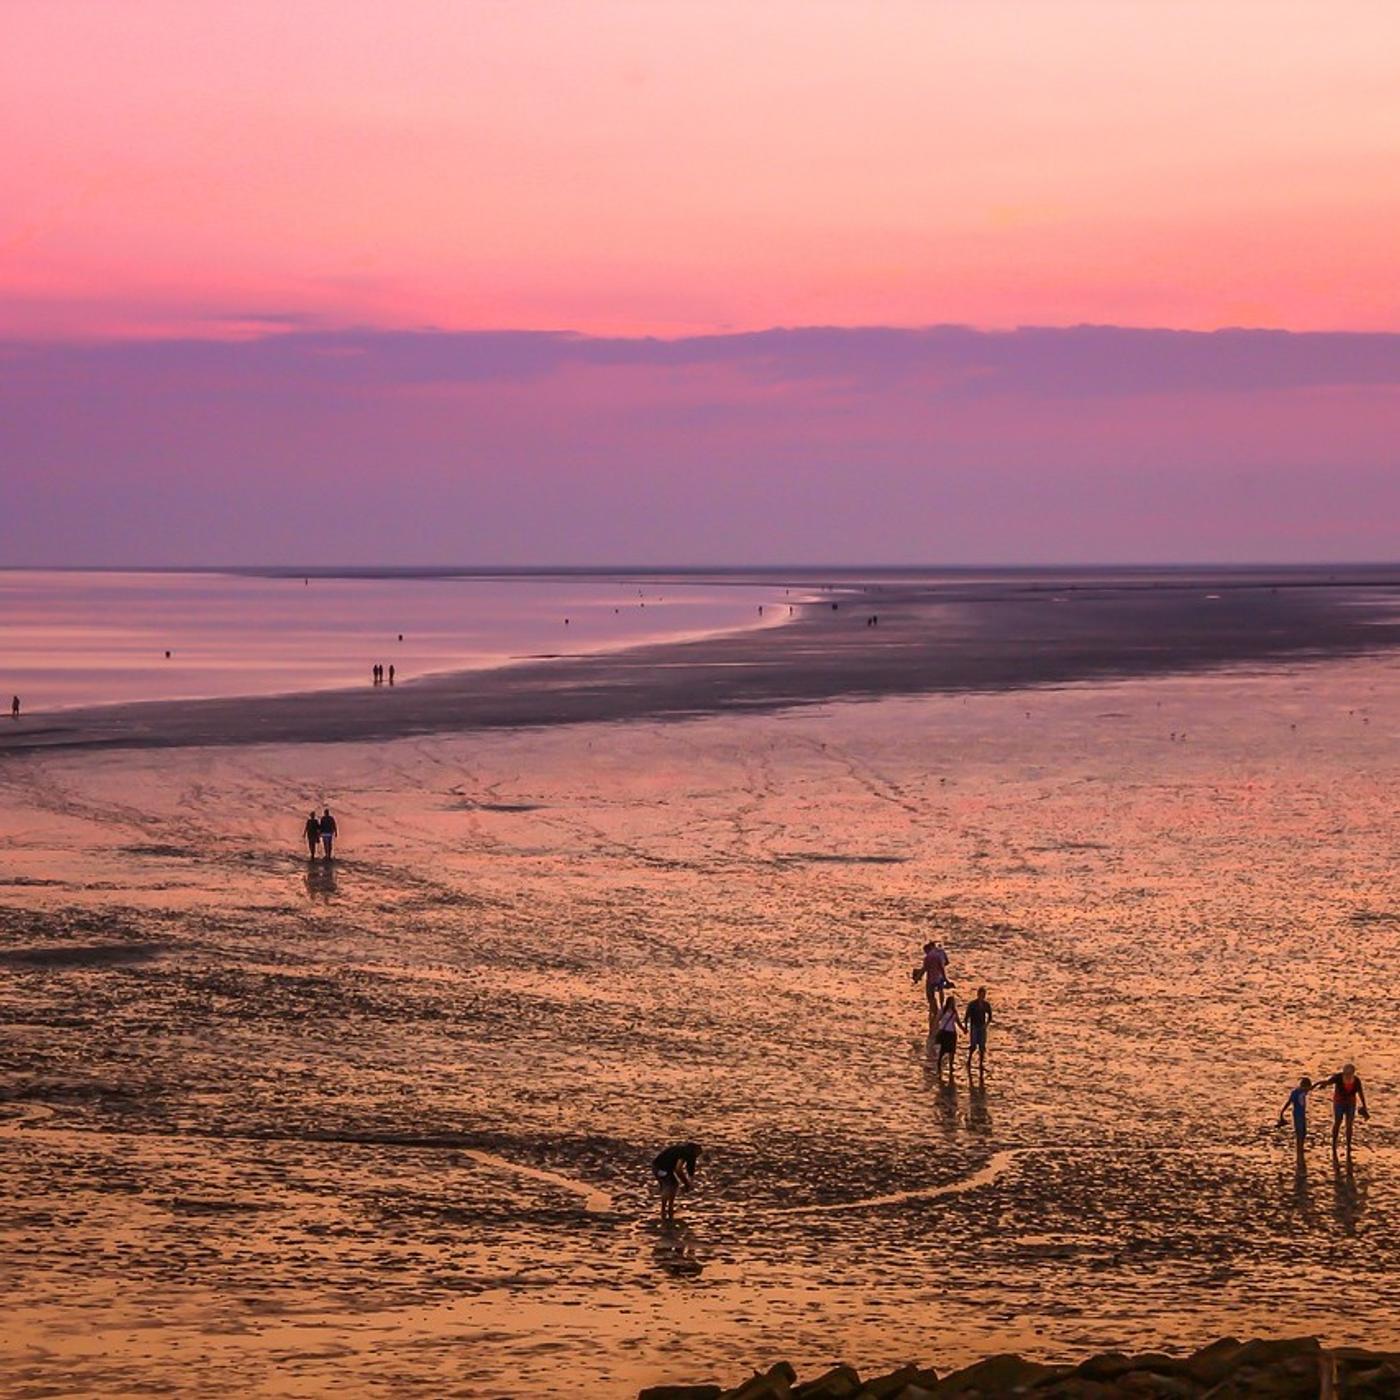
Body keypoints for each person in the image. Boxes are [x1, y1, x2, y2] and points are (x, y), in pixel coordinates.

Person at [1318, 1063, 1369, 1158]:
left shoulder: (1356, 1081)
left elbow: (1360, 1093)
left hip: (1351, 1104)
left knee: (1349, 1124)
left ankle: (1348, 1145)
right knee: (1337, 1122)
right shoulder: (1338, 1077)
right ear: (1343, 1073)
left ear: (1353, 1073)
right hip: (1339, 1103)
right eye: (1346, 1073)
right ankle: (1334, 1144)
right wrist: (1322, 1085)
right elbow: (1328, 1082)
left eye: (1350, 1074)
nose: (1348, 1075)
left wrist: (1364, 1106)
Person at [652, 1142, 701, 1222]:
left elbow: (689, 1169)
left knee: (674, 1185)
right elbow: (678, 1169)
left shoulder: (682, 1150)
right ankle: (664, 1209)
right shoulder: (683, 1153)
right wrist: (686, 1183)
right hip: (659, 1167)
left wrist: (689, 1180)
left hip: (665, 1168)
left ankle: (669, 1208)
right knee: (669, 1185)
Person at [912, 940, 951, 1026]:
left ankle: (935, 1011)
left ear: (928, 949)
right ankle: (941, 1006)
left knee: (931, 996)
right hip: (940, 977)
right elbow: (944, 965)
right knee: (941, 990)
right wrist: (946, 979)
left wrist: (917, 978)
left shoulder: (928, 957)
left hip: (931, 980)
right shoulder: (941, 952)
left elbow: (924, 969)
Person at [1278, 1075, 1316, 1157]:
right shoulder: (1295, 1093)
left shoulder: (1304, 1091)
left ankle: (1301, 1147)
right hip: (1297, 1114)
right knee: (1299, 1132)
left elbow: (1311, 1088)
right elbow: (1289, 1102)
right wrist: (1282, 1112)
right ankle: (1299, 1149)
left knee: (1304, 1132)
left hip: (1302, 1114)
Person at [965, 986, 993, 1073]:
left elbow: (990, 1016)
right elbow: (966, 1017)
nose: (982, 996)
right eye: (981, 994)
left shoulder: (986, 1005)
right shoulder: (972, 1004)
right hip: (974, 1026)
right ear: (978, 994)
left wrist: (986, 1025)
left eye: (984, 995)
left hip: (982, 1026)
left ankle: (981, 1063)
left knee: (982, 1046)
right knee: (973, 1046)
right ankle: (969, 1060)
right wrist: (966, 1027)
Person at [935, 995, 963, 1078]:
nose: (952, 1004)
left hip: (952, 1033)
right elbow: (937, 1019)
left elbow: (957, 1022)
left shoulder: (954, 1012)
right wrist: (935, 1029)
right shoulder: (943, 1010)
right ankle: (939, 1064)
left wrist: (963, 1029)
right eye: (951, 1002)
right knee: (943, 1050)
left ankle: (951, 1066)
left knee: (952, 1051)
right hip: (945, 1032)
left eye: (953, 1002)